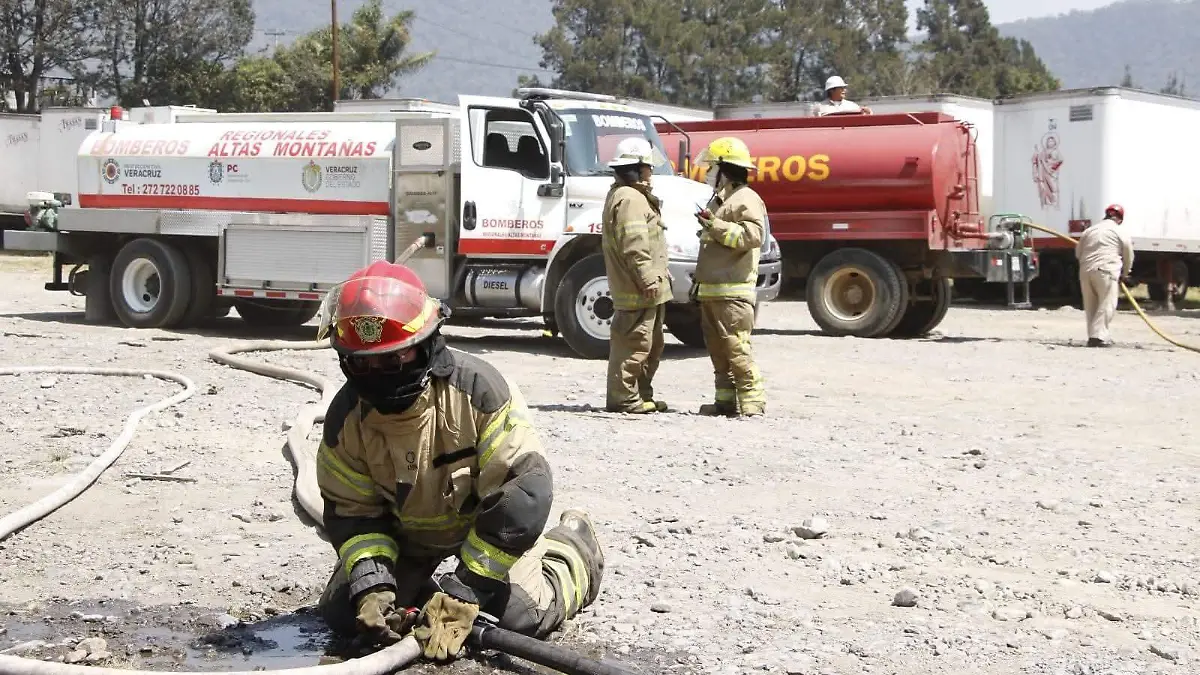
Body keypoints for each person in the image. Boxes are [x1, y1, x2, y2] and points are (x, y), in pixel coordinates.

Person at [312, 260, 604, 662]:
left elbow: (522, 495)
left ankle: (575, 549)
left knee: (519, 617)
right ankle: (422, 594)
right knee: (344, 613)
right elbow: (354, 515)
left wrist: (467, 591)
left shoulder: (479, 394)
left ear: (427, 344)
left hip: (486, 532)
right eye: (362, 362)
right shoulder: (345, 421)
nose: (377, 374)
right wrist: (373, 585)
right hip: (408, 538)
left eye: (392, 360)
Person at [693, 137, 768, 417]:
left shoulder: (746, 199)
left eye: (711, 167)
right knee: (718, 351)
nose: (707, 173)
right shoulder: (721, 201)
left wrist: (714, 225)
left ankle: (753, 402)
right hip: (713, 291)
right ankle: (724, 401)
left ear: (725, 170)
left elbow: (752, 236)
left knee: (737, 348)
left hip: (733, 293)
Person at [599, 137, 673, 414]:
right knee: (634, 343)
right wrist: (647, 278)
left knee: (649, 344)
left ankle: (640, 394)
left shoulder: (631, 196)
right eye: (648, 167)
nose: (651, 172)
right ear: (638, 168)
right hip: (637, 289)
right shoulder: (629, 199)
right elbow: (634, 245)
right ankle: (624, 398)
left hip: (643, 288)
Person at [1075, 204, 1135, 347]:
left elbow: (1078, 253)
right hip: (1106, 271)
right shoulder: (1119, 231)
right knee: (1107, 304)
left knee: (1091, 306)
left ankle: (1093, 336)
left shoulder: (1089, 231)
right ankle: (1099, 337)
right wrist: (1125, 273)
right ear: (1119, 219)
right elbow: (1128, 254)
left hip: (1085, 271)